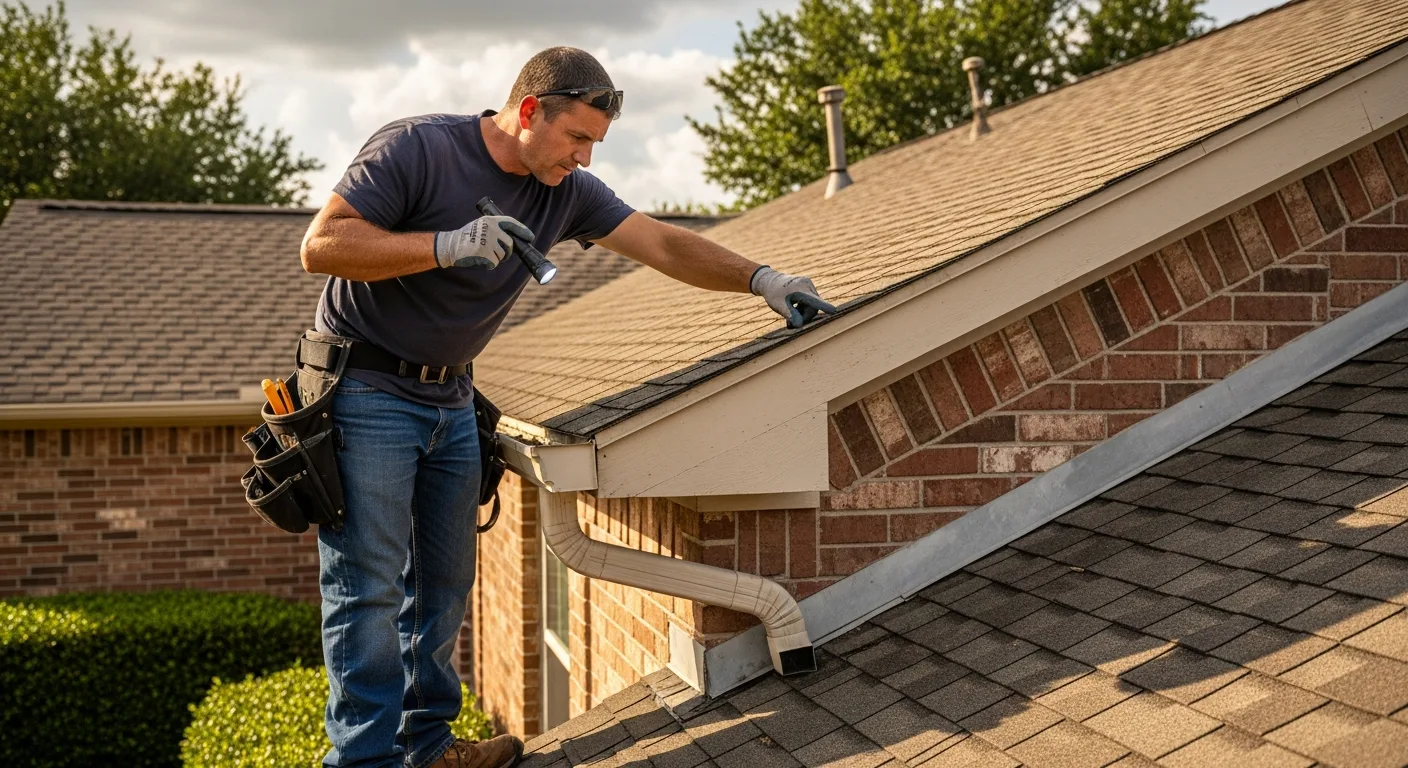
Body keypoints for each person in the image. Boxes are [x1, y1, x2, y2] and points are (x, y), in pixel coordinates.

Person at [298, 46, 836, 768]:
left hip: (450, 397)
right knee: (367, 588)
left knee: (443, 586)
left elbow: (661, 244)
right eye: (576, 137)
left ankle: (426, 749)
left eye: (594, 144)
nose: (583, 158)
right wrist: (447, 245)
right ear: (529, 111)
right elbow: (322, 245)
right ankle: (364, 762)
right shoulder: (418, 147)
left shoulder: (565, 192)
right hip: (366, 390)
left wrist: (763, 279)